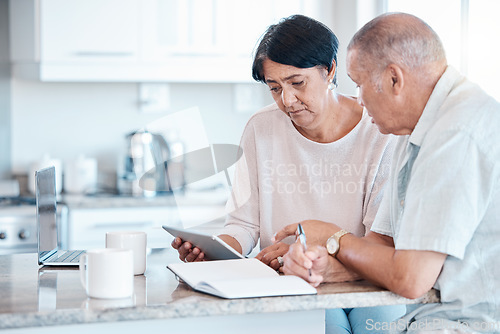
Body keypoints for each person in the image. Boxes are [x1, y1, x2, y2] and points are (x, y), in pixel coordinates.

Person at [172, 14, 405, 332]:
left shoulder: (380, 132)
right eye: (274, 88)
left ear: (330, 69)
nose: (288, 100)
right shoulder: (261, 128)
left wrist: (309, 254)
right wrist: (215, 249)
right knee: (326, 324)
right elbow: (244, 224)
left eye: (297, 83)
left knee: (380, 324)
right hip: (288, 282)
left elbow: (381, 241)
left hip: (364, 278)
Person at [278, 12, 500, 334]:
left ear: (394, 79)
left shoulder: (457, 133)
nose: (359, 100)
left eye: (360, 85)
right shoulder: (412, 130)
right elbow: (383, 243)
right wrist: (328, 266)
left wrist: (333, 238)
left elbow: (411, 277)